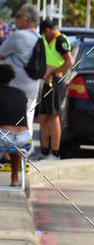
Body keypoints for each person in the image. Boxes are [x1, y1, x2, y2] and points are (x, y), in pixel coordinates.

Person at [0, 64, 30, 187]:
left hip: (3, 137)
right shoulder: (21, 94)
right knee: (14, 141)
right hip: (25, 139)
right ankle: (14, 178)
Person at [0, 3, 41, 136]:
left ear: (27, 18)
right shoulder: (39, 37)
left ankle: (9, 155)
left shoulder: (18, 35)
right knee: (28, 121)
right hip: (33, 87)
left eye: (18, 16)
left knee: (8, 125)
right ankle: (24, 154)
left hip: (15, 88)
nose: (15, 18)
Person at [34, 18, 73, 160]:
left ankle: (55, 153)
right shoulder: (47, 39)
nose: (44, 35)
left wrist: (52, 73)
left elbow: (69, 62)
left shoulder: (60, 40)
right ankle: (44, 151)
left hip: (56, 81)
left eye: (45, 33)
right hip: (46, 82)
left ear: (50, 30)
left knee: (54, 116)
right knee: (42, 117)